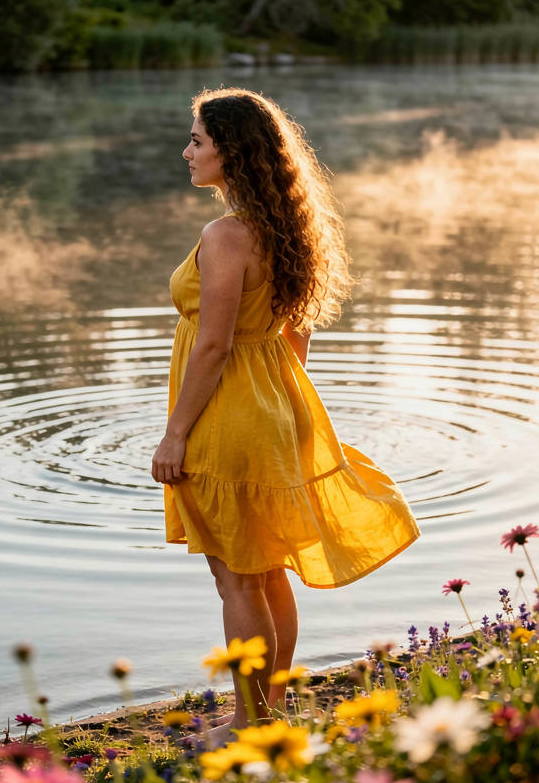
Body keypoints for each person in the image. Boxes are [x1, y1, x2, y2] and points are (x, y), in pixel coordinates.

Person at [151, 88, 419, 747]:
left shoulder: (224, 236)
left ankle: (249, 723)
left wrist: (176, 433)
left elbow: (213, 345)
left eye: (197, 142)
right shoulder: (286, 225)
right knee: (265, 568)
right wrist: (282, 407)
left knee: (238, 576)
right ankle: (267, 709)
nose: (186, 152)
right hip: (276, 403)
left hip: (228, 417)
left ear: (230, 152)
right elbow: (294, 337)